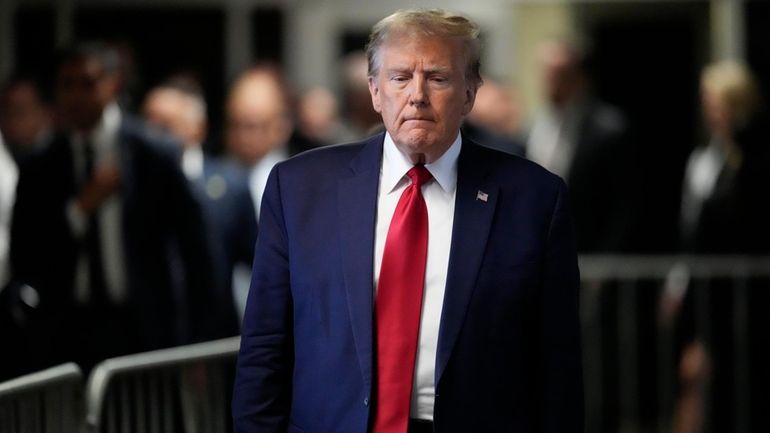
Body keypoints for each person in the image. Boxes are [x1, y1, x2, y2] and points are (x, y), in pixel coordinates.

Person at [233, 8, 583, 433]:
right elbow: (264, 348)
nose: (417, 95)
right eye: (400, 78)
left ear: (470, 93)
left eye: (437, 78)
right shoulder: (300, 189)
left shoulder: (534, 199)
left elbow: (558, 365)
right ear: (375, 91)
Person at [10, 43, 215, 372]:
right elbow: (26, 256)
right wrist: (79, 210)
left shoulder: (153, 154)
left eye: (87, 83)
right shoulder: (41, 165)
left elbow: (196, 254)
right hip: (68, 333)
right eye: (67, 85)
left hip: (143, 330)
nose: (76, 96)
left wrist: (199, 344)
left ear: (112, 84)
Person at [143, 78, 258, 336]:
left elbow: (260, 263)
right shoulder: (133, 188)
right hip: (151, 340)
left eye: (165, 126)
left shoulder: (231, 186)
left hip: (214, 339)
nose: (152, 136)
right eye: (147, 124)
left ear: (198, 128)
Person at [526, 38, 634, 253]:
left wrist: (606, 263)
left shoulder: (609, 129)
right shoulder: (534, 127)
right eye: (547, 74)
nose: (552, 82)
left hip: (589, 256)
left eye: (560, 74)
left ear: (578, 77)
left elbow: (624, 207)